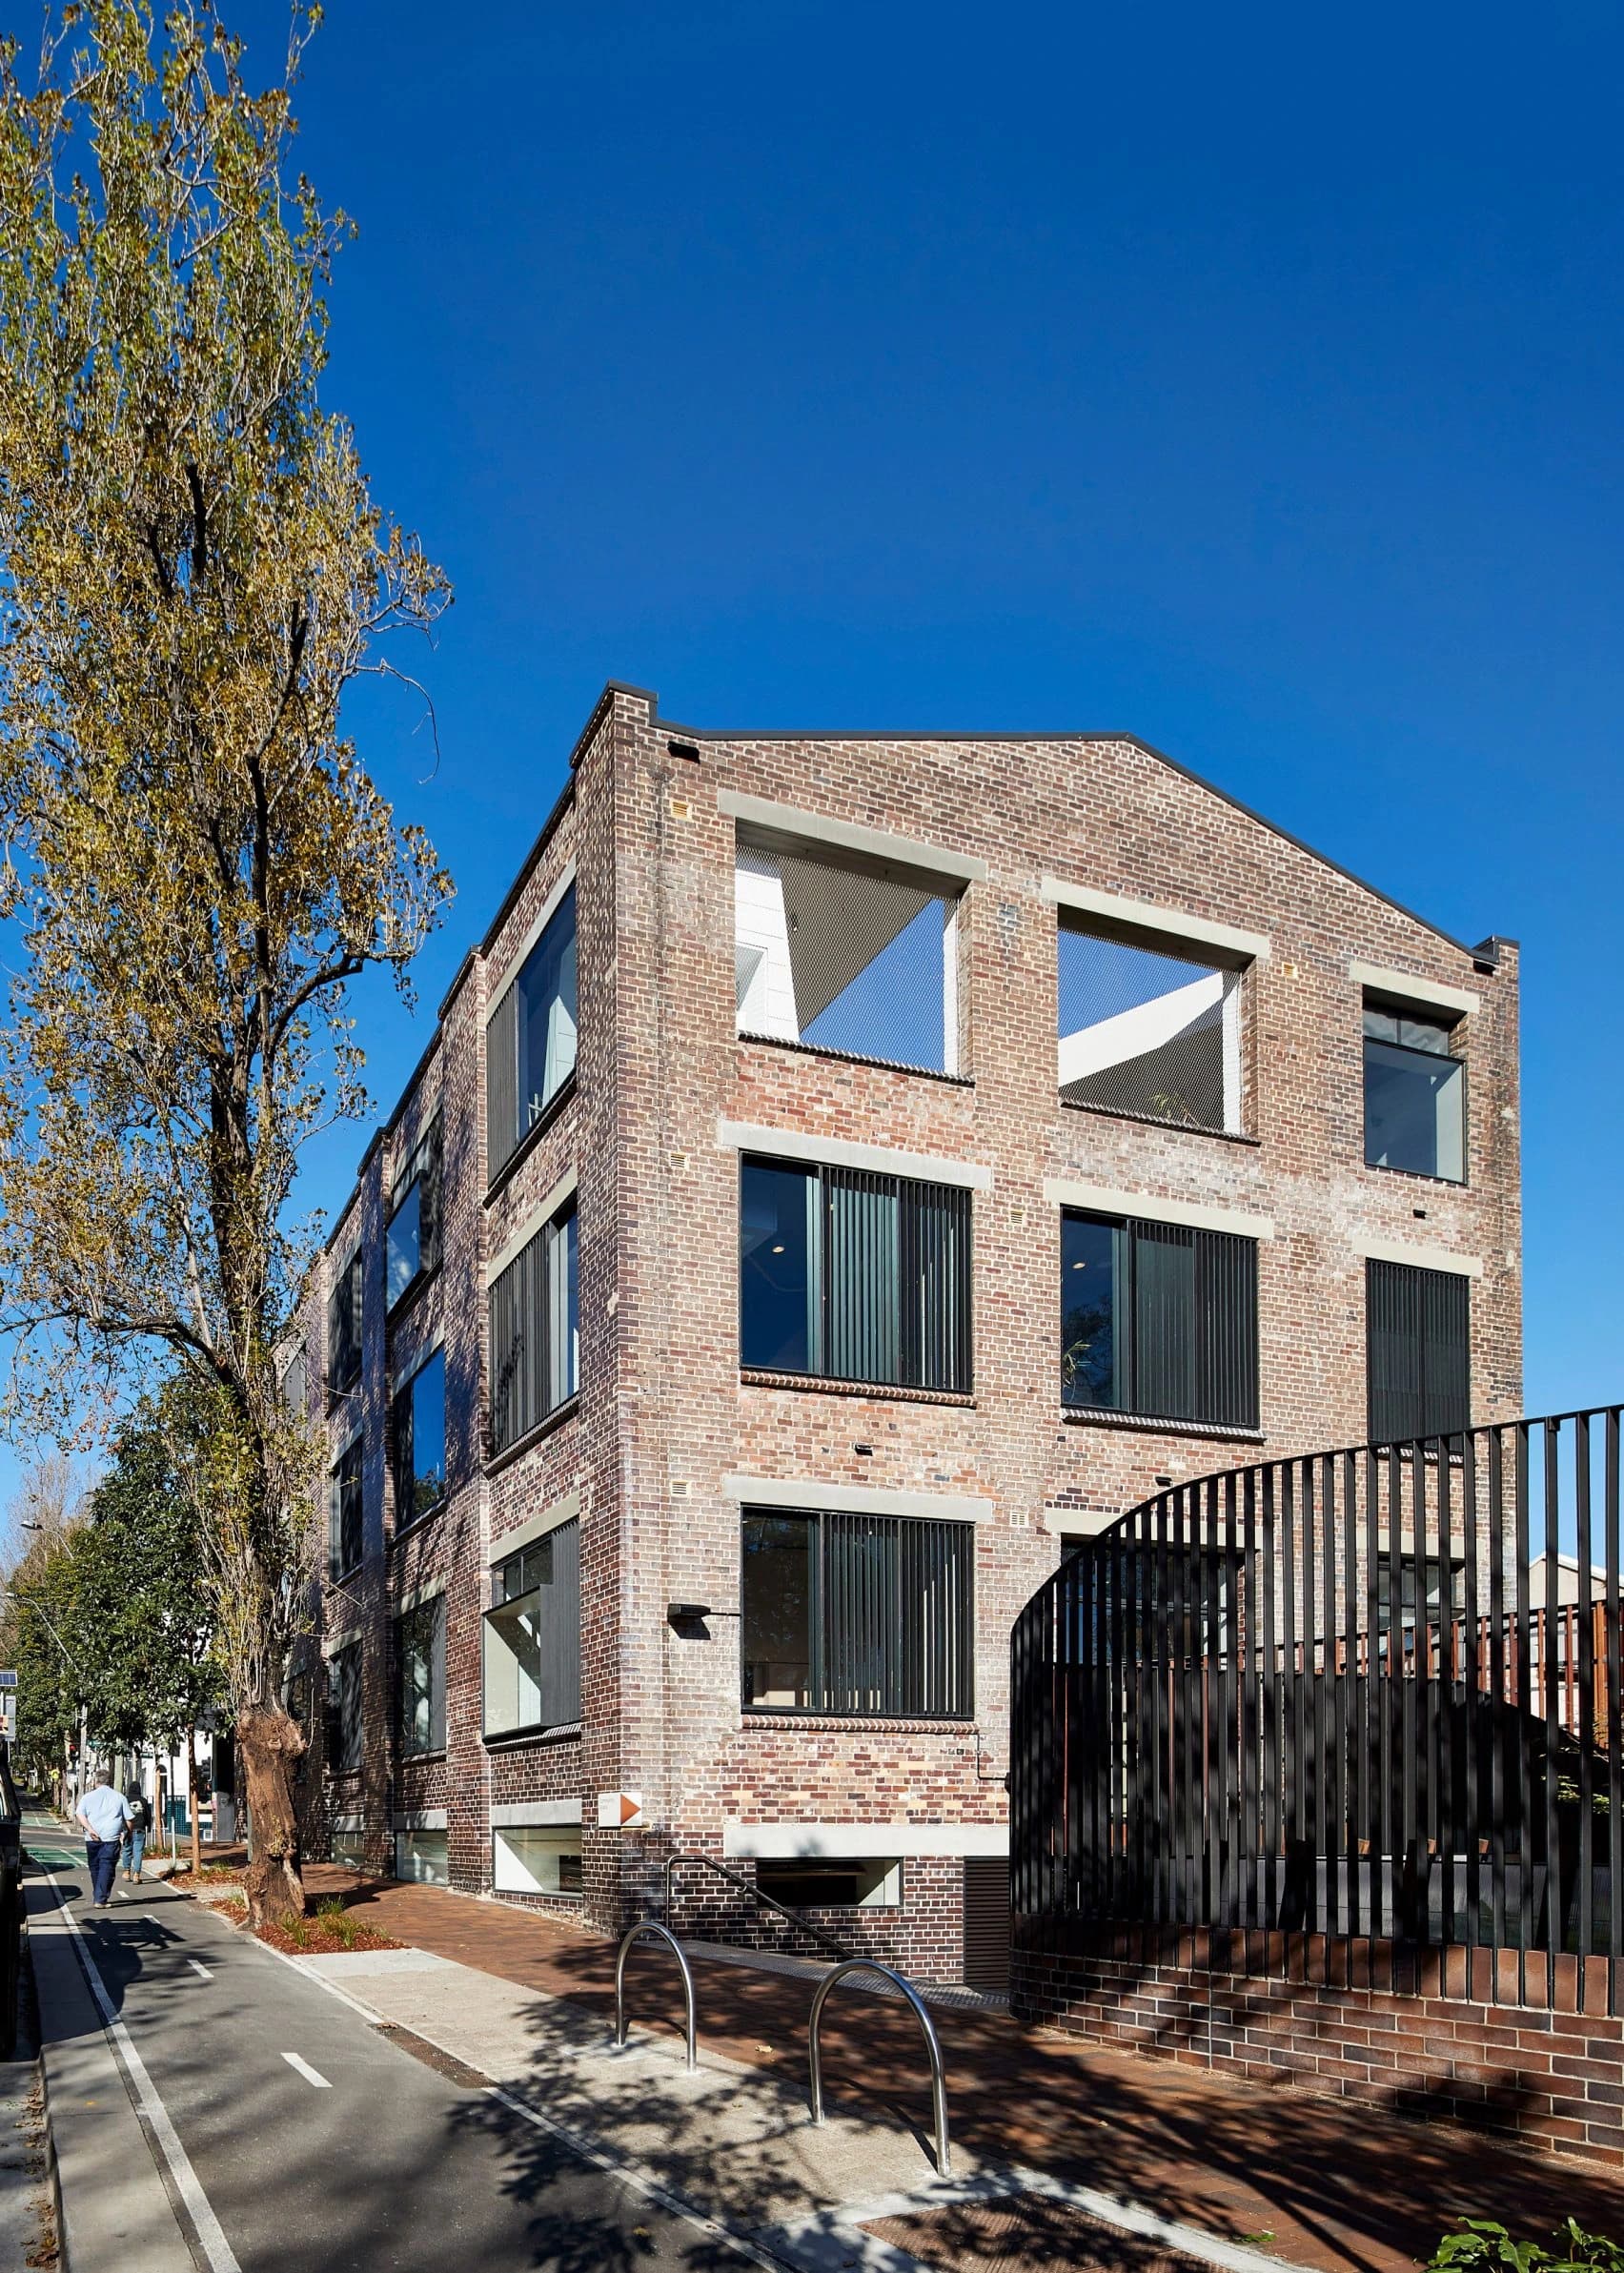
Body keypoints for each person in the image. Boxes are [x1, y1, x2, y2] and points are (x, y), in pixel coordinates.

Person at [75, 1770, 133, 1907]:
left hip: (92, 1838)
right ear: (110, 1781)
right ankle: (100, 1898)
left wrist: (90, 1829)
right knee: (107, 1866)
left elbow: (79, 1814)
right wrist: (127, 1833)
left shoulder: (87, 1797)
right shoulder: (119, 1797)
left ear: (96, 1781)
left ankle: (99, 1895)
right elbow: (130, 1818)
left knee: (94, 1867)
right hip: (111, 1838)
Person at [121, 1779, 151, 1883]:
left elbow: (121, 1814)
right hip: (140, 1829)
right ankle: (137, 1875)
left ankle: (126, 1871)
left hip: (127, 1829)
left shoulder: (125, 1799)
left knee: (126, 1850)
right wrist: (149, 1826)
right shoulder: (143, 1801)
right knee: (138, 1852)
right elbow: (148, 1815)